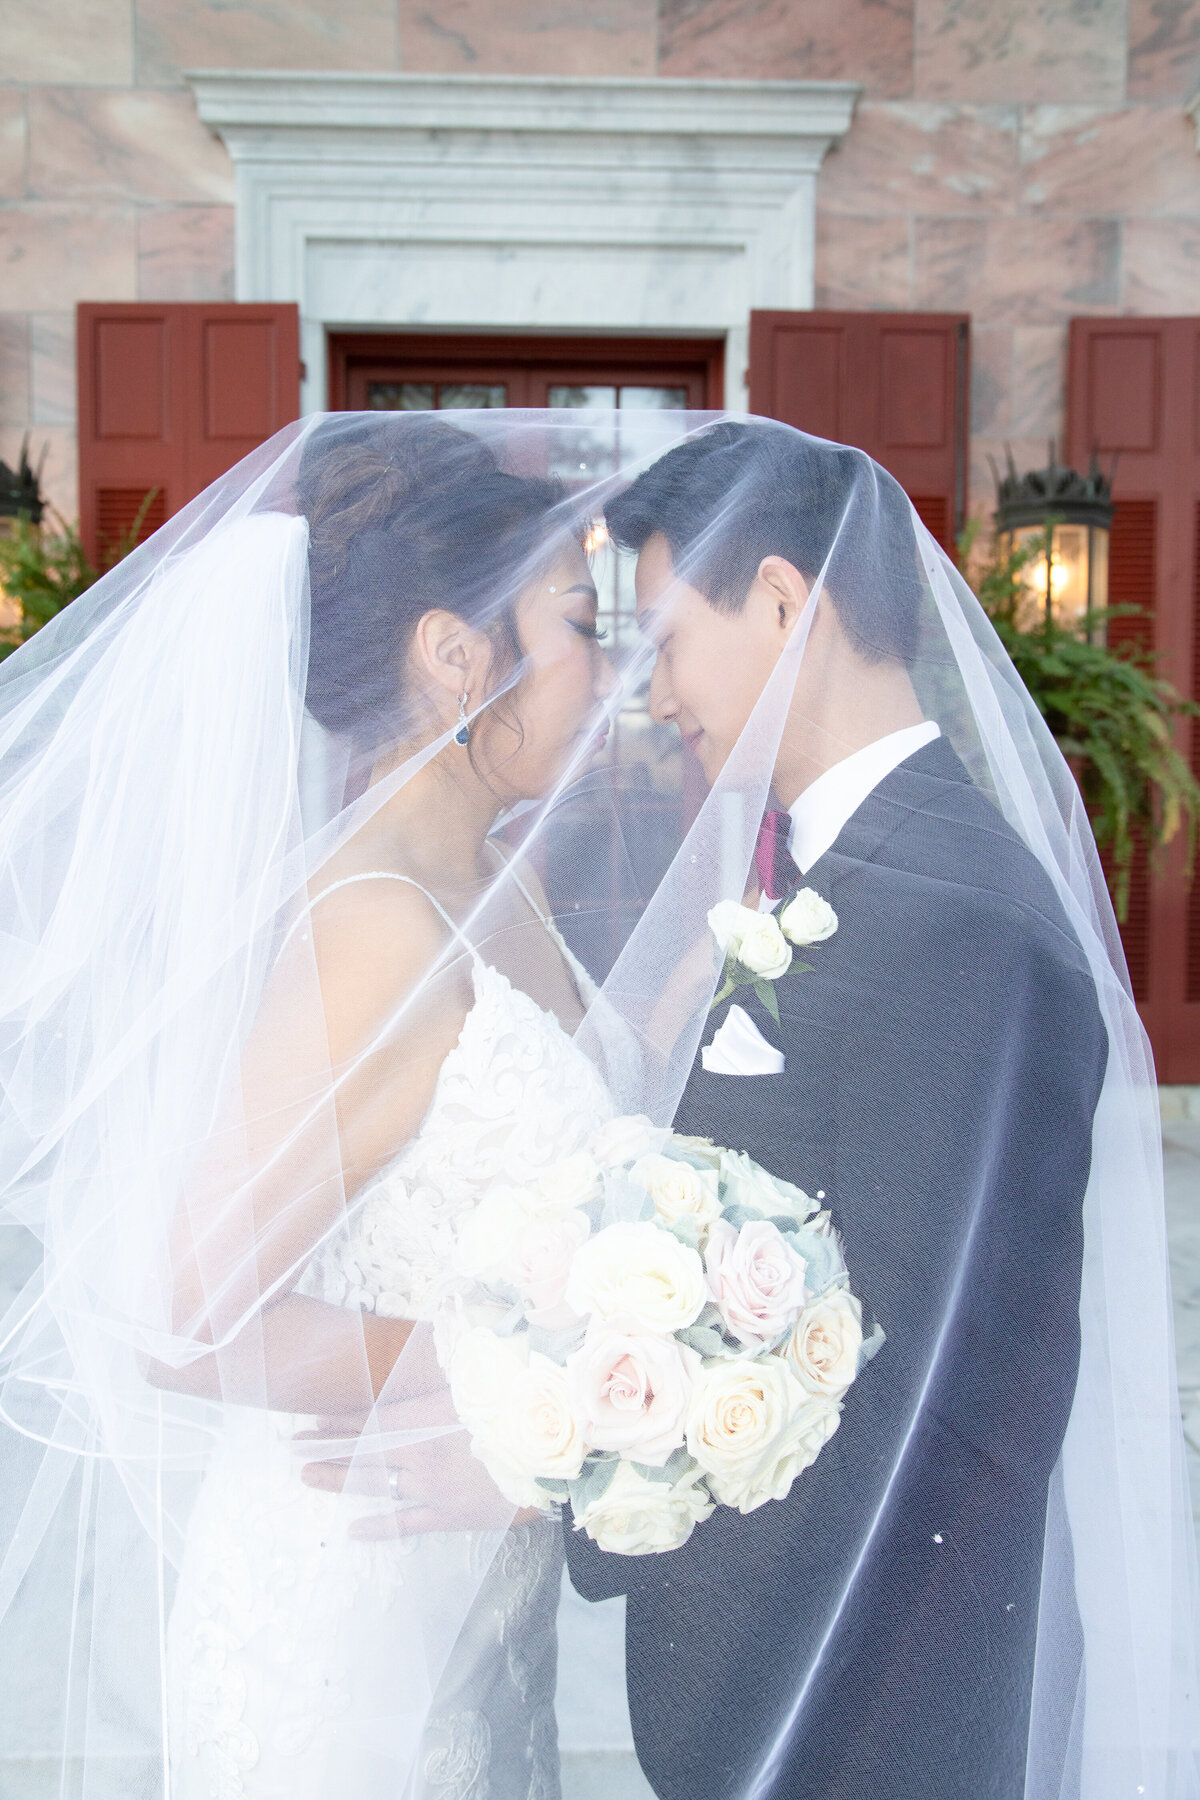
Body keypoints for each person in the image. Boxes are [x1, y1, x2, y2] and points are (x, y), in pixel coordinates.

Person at [561, 422, 1194, 1800]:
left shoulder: (957, 920)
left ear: (787, 605)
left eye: (669, 641)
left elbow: (935, 1409)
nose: (654, 695)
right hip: (788, 1687)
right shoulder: (829, 876)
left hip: (864, 1711)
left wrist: (608, 1474)